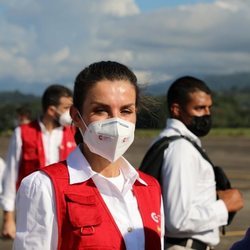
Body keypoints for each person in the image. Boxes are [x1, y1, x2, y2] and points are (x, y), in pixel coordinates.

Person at [13, 61, 164, 250]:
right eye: (101, 110)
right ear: (76, 116)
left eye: (126, 110)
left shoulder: (150, 188)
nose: (116, 121)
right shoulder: (44, 187)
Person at [146, 76, 243, 250]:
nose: (206, 114)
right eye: (199, 108)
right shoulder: (181, 149)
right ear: (176, 109)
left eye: (209, 108)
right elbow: (177, 221)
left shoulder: (167, 141)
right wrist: (224, 206)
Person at [0, 84, 76, 239]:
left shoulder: (75, 133)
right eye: (67, 108)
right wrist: (8, 218)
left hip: (67, 209)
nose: (71, 113)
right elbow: (10, 175)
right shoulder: (22, 133)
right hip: (31, 210)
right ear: (51, 110)